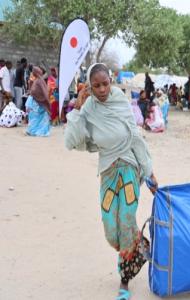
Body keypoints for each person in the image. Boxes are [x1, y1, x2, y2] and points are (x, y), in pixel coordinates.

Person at [65, 63, 158, 300]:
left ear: (111, 81)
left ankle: (124, 278)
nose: (102, 89)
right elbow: (73, 141)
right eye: (96, 86)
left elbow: (135, 137)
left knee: (126, 221)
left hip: (128, 167)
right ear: (89, 87)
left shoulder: (120, 102)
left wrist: (149, 172)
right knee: (111, 230)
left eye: (105, 83)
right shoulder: (87, 109)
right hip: (107, 170)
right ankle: (141, 245)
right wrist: (77, 107)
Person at [25, 67, 51, 136]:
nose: (32, 73)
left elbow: (43, 92)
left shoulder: (40, 81)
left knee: (38, 117)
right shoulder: (36, 80)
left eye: (33, 72)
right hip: (35, 102)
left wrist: (45, 100)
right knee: (33, 116)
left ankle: (39, 131)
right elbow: (32, 90)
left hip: (39, 103)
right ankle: (32, 130)